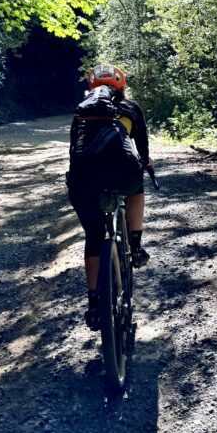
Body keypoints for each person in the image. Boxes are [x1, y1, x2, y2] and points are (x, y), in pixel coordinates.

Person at [67, 64, 153, 330]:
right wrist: (147, 166)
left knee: (94, 236)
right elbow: (143, 149)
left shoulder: (82, 111)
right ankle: (135, 246)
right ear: (122, 87)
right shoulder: (130, 107)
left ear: (92, 89)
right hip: (122, 173)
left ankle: (94, 303)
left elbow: (74, 150)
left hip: (84, 180)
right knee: (136, 187)